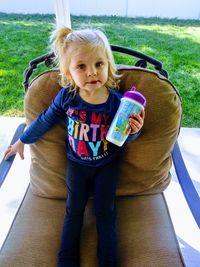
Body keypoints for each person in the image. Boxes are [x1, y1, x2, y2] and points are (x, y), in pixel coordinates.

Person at [4, 27, 145, 267]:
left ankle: (108, 261)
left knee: (106, 213)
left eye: (99, 64)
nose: (92, 72)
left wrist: (134, 130)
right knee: (73, 212)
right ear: (68, 73)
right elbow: (45, 119)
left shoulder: (117, 102)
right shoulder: (67, 97)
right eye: (81, 67)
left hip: (107, 165)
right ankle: (66, 261)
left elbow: (122, 137)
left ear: (108, 65)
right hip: (77, 166)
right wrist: (22, 140)